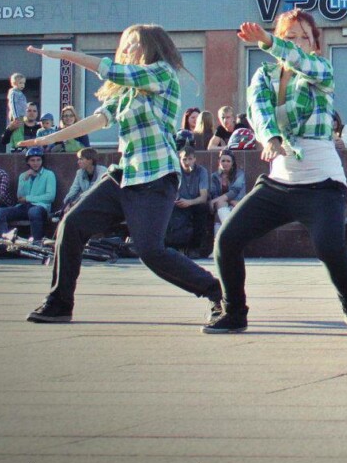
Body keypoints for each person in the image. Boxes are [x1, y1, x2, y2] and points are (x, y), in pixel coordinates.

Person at [18, 26, 223, 326]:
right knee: (71, 225)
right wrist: (47, 139)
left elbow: (109, 69)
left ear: (151, 46)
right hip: (125, 176)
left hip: (155, 177)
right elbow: (98, 119)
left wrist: (63, 55)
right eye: (125, 44)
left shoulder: (162, 73)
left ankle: (217, 292)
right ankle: (60, 303)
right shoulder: (128, 91)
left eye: (133, 44)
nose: (127, 49)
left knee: (151, 252)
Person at [208, 11, 347, 334]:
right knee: (227, 240)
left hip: (323, 184)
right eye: (290, 36)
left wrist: (269, 41)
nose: (297, 43)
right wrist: (270, 138)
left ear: (314, 45)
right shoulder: (264, 75)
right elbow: (258, 110)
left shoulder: (321, 71)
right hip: (280, 184)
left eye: (304, 37)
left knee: (329, 246)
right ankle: (235, 312)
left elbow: (300, 64)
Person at [0, 148, 57, 245]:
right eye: (32, 160)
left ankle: (37, 243)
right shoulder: (23, 175)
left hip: (41, 207)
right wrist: (25, 180)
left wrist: (28, 198)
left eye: (38, 160)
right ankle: (5, 243)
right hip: (24, 207)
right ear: (28, 162)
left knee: (33, 212)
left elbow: (50, 197)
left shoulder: (49, 174)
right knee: (0, 212)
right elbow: (20, 198)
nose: (36, 163)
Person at [165, 150, 213, 252]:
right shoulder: (175, 171)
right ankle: (171, 246)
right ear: (180, 160)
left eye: (190, 159)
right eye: (184, 159)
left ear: (195, 159)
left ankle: (195, 248)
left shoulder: (201, 171)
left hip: (195, 202)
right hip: (179, 202)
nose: (187, 162)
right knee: (167, 209)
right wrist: (178, 200)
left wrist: (189, 202)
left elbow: (203, 197)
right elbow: (170, 191)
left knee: (202, 208)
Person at [62, 148, 108, 213]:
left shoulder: (103, 171)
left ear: (90, 160)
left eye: (81, 159)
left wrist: (76, 202)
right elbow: (73, 190)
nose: (78, 162)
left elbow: (93, 191)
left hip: (101, 206)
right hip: (85, 204)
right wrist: (67, 203)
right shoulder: (79, 173)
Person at [210, 150, 246, 227]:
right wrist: (221, 201)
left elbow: (235, 191)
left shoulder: (239, 174)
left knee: (221, 210)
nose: (225, 163)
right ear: (219, 161)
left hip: (237, 203)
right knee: (220, 204)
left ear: (232, 163)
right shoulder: (214, 176)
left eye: (228, 161)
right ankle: (229, 229)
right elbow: (214, 194)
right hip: (222, 205)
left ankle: (227, 230)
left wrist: (218, 200)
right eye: (223, 161)